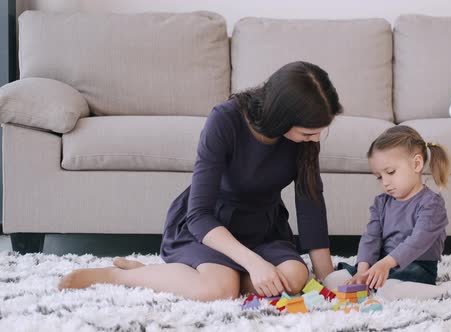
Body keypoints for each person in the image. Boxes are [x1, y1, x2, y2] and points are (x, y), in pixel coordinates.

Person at [58, 61, 343, 301]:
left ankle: (179, 276)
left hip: (263, 227)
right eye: (309, 132)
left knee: (294, 278)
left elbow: (311, 206)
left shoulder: (304, 141)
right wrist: (254, 263)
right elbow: (199, 214)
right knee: (219, 289)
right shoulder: (225, 119)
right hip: (211, 225)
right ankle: (120, 275)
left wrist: (328, 279)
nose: (315, 139)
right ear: (283, 117)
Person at [336, 125, 451, 289]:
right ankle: (368, 281)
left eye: (390, 172)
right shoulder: (381, 202)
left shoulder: (432, 204)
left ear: (416, 164)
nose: (385, 182)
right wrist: (361, 270)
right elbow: (371, 237)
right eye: (379, 177)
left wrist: (385, 264)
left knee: (390, 285)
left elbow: (417, 242)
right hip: (382, 263)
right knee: (339, 276)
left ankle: (435, 291)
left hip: (417, 266)